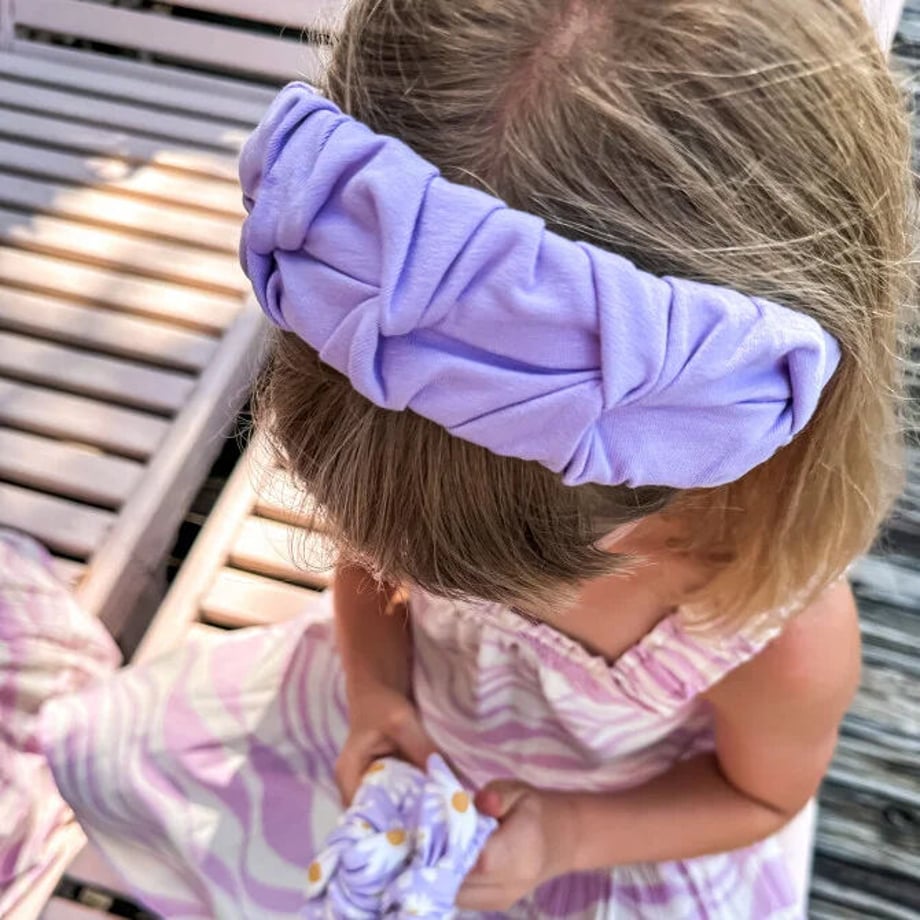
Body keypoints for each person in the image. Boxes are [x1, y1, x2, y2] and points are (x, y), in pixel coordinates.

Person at [38, 1, 912, 917]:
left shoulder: (779, 633)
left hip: (608, 838)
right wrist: (377, 694)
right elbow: (374, 571)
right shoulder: (425, 452)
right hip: (401, 709)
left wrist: (567, 837)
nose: (432, 576)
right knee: (119, 765)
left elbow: (761, 796)